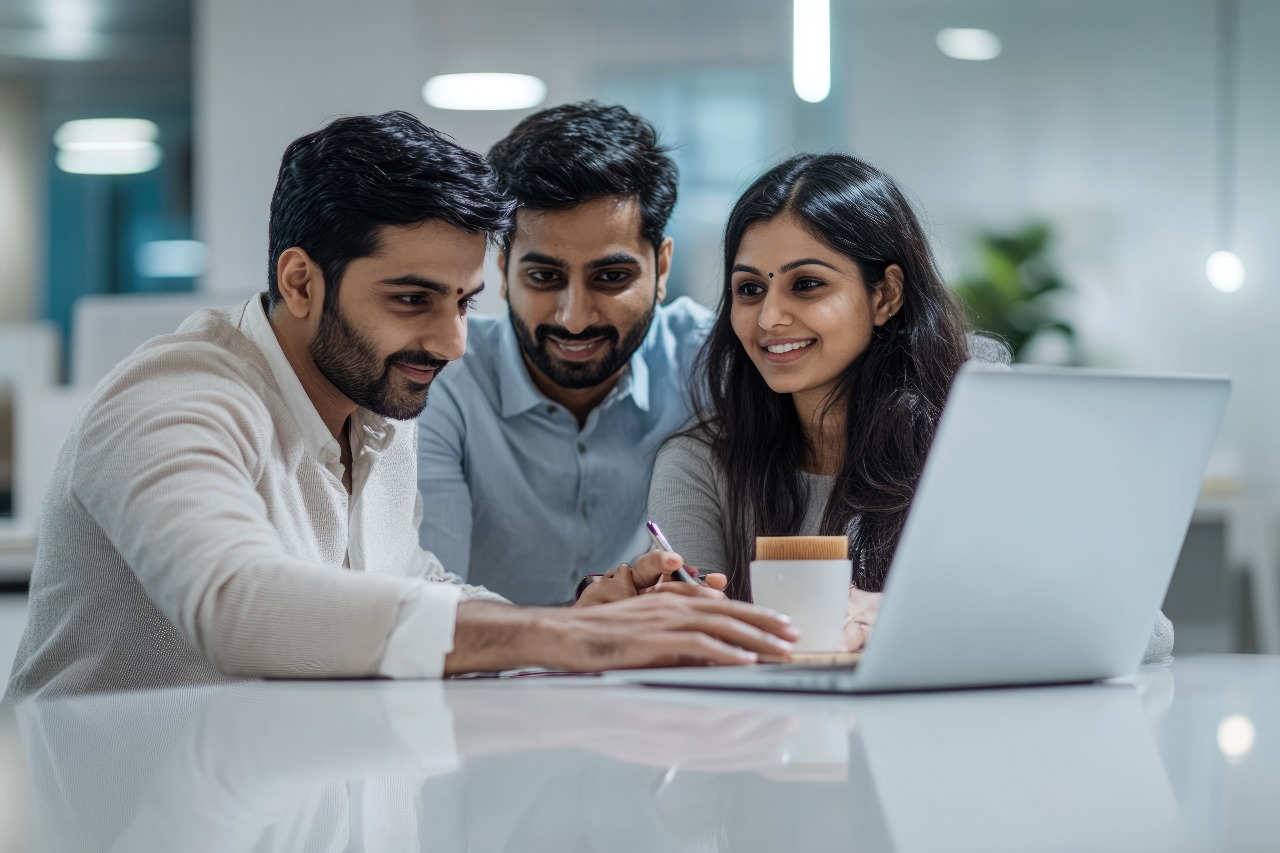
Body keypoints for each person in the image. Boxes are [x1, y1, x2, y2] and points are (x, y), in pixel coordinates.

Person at [5, 112, 796, 702]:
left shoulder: (373, 408)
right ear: (300, 281)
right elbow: (237, 602)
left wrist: (580, 614)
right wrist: (567, 635)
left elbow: (413, 584)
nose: (452, 343)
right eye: (413, 298)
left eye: (463, 301)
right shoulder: (174, 397)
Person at [646, 153, 1174, 660]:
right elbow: (680, 641)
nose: (769, 318)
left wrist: (905, 619)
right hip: (766, 725)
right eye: (749, 289)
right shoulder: (701, 462)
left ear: (885, 295)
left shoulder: (979, 431)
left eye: (806, 285)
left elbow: (1145, 630)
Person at [417, 101, 714, 604]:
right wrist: (577, 628)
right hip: (488, 661)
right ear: (503, 271)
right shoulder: (444, 380)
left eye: (611, 277)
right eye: (544, 276)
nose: (574, 318)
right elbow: (429, 601)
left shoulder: (708, 363)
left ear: (661, 268)